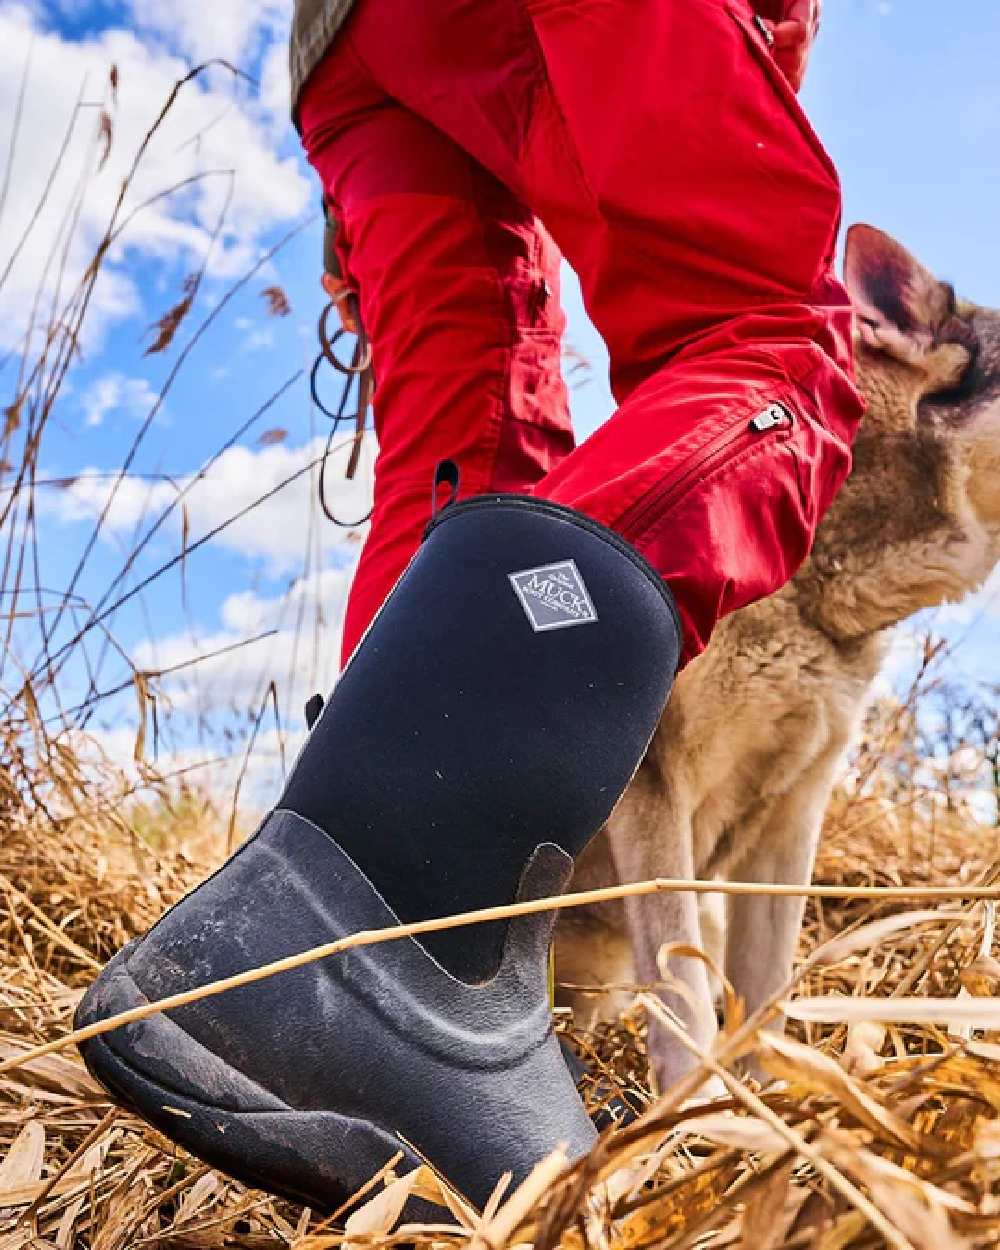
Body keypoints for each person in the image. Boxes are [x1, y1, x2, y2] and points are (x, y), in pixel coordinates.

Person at [76, 0, 861, 1216]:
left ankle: (328, 970)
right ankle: (403, 940)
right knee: (763, 334)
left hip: (346, 50)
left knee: (465, 455)